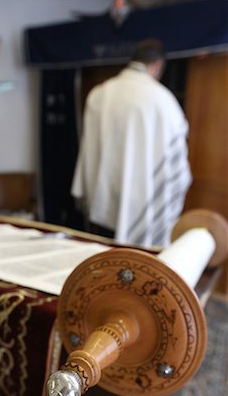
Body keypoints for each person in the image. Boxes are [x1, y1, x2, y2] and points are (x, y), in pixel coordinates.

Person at [71, 38, 192, 247]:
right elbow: (176, 166)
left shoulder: (100, 93)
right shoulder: (163, 100)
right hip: (143, 203)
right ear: (157, 65)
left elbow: (89, 151)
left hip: (103, 204)